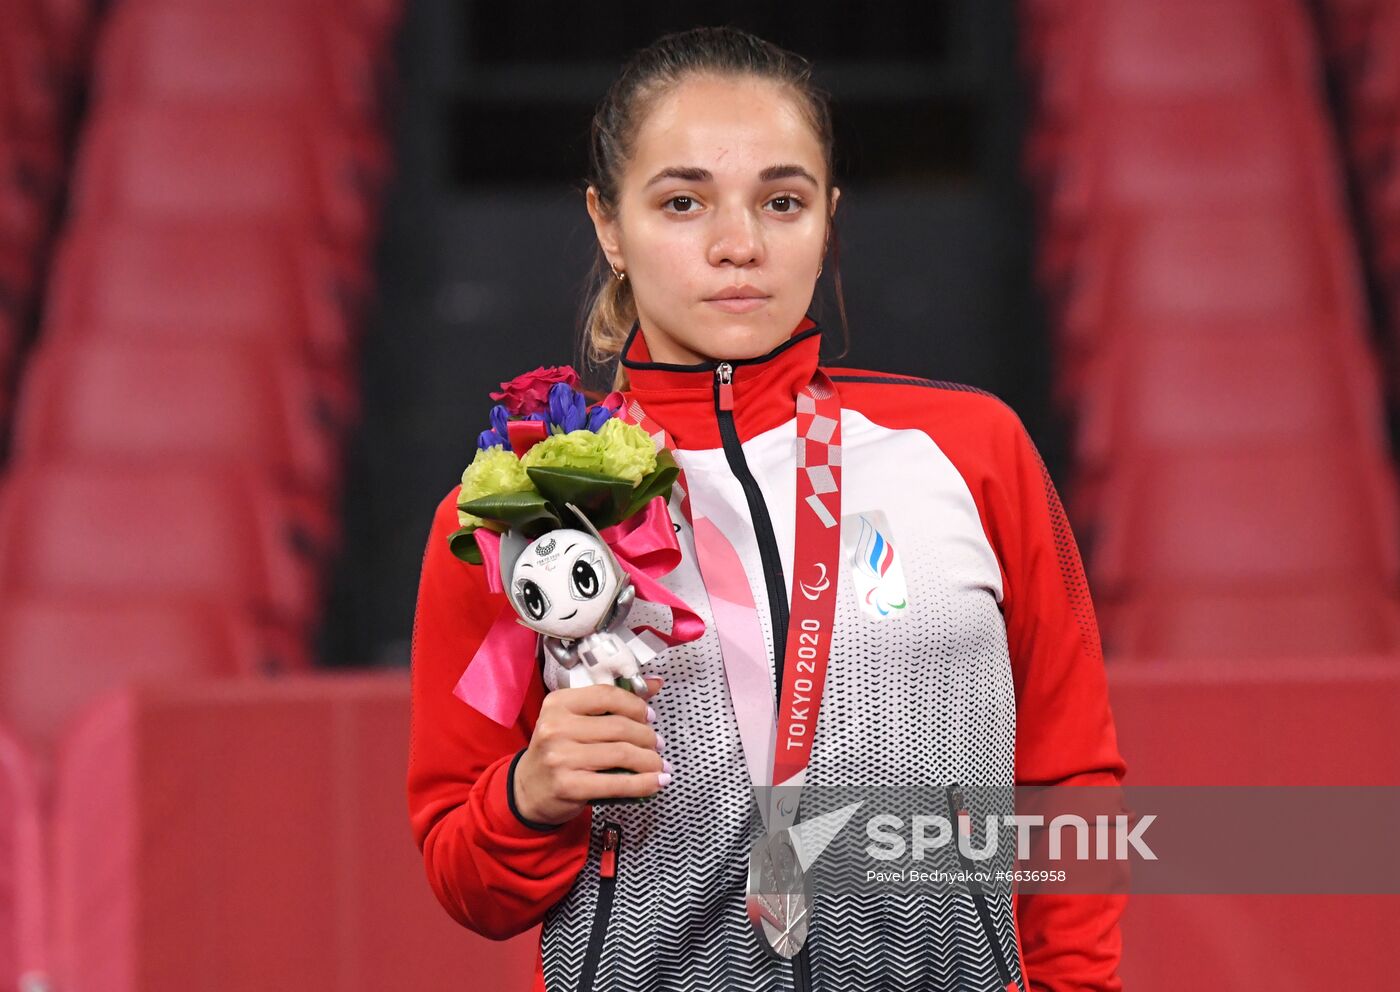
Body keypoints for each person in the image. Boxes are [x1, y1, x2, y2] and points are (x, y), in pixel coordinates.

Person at [407, 25, 1128, 992]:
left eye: (781, 202)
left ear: (828, 218)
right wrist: (530, 800)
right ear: (607, 226)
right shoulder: (514, 513)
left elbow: (1067, 780)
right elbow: (467, 877)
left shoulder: (971, 451)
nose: (738, 244)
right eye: (682, 202)